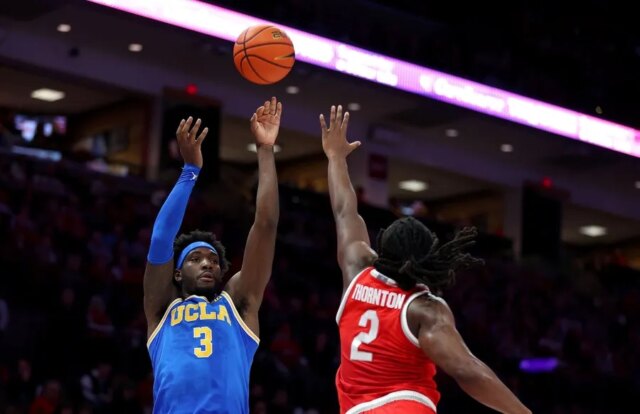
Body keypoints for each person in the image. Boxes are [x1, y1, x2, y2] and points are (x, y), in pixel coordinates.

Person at [319, 105, 532, 414]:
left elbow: (344, 210)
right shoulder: (424, 309)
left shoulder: (357, 269)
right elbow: (468, 371)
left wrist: (335, 158)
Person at [144, 97, 281, 413]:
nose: (207, 263)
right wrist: (190, 171)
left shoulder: (237, 305)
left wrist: (265, 150)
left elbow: (266, 224)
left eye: (214, 261)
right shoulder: (162, 307)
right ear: (177, 273)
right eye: (195, 259)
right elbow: (161, 238)